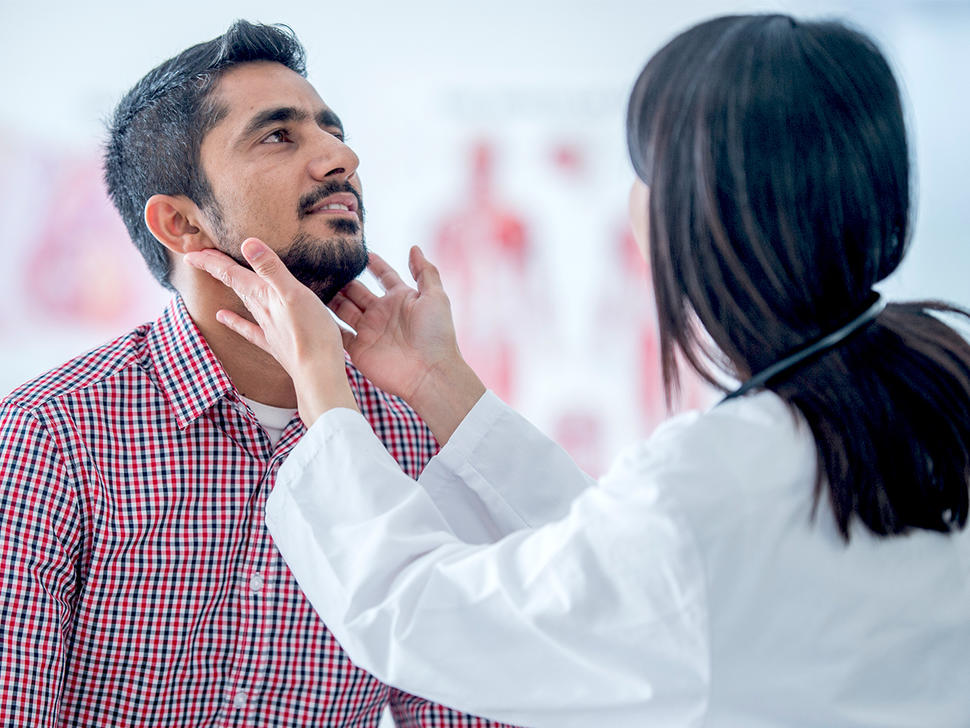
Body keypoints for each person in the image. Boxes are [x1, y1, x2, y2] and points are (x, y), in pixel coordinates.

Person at [184, 13, 970, 728]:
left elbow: (423, 614)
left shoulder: (717, 485)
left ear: (695, 213)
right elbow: (615, 560)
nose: (341, 157)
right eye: (279, 135)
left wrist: (324, 394)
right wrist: (436, 382)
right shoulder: (935, 397)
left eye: (643, 169)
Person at [0, 20, 517, 728]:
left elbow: (462, 704)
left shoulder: (415, 435)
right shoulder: (52, 436)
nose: (341, 157)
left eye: (333, 131)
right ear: (181, 224)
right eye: (279, 136)